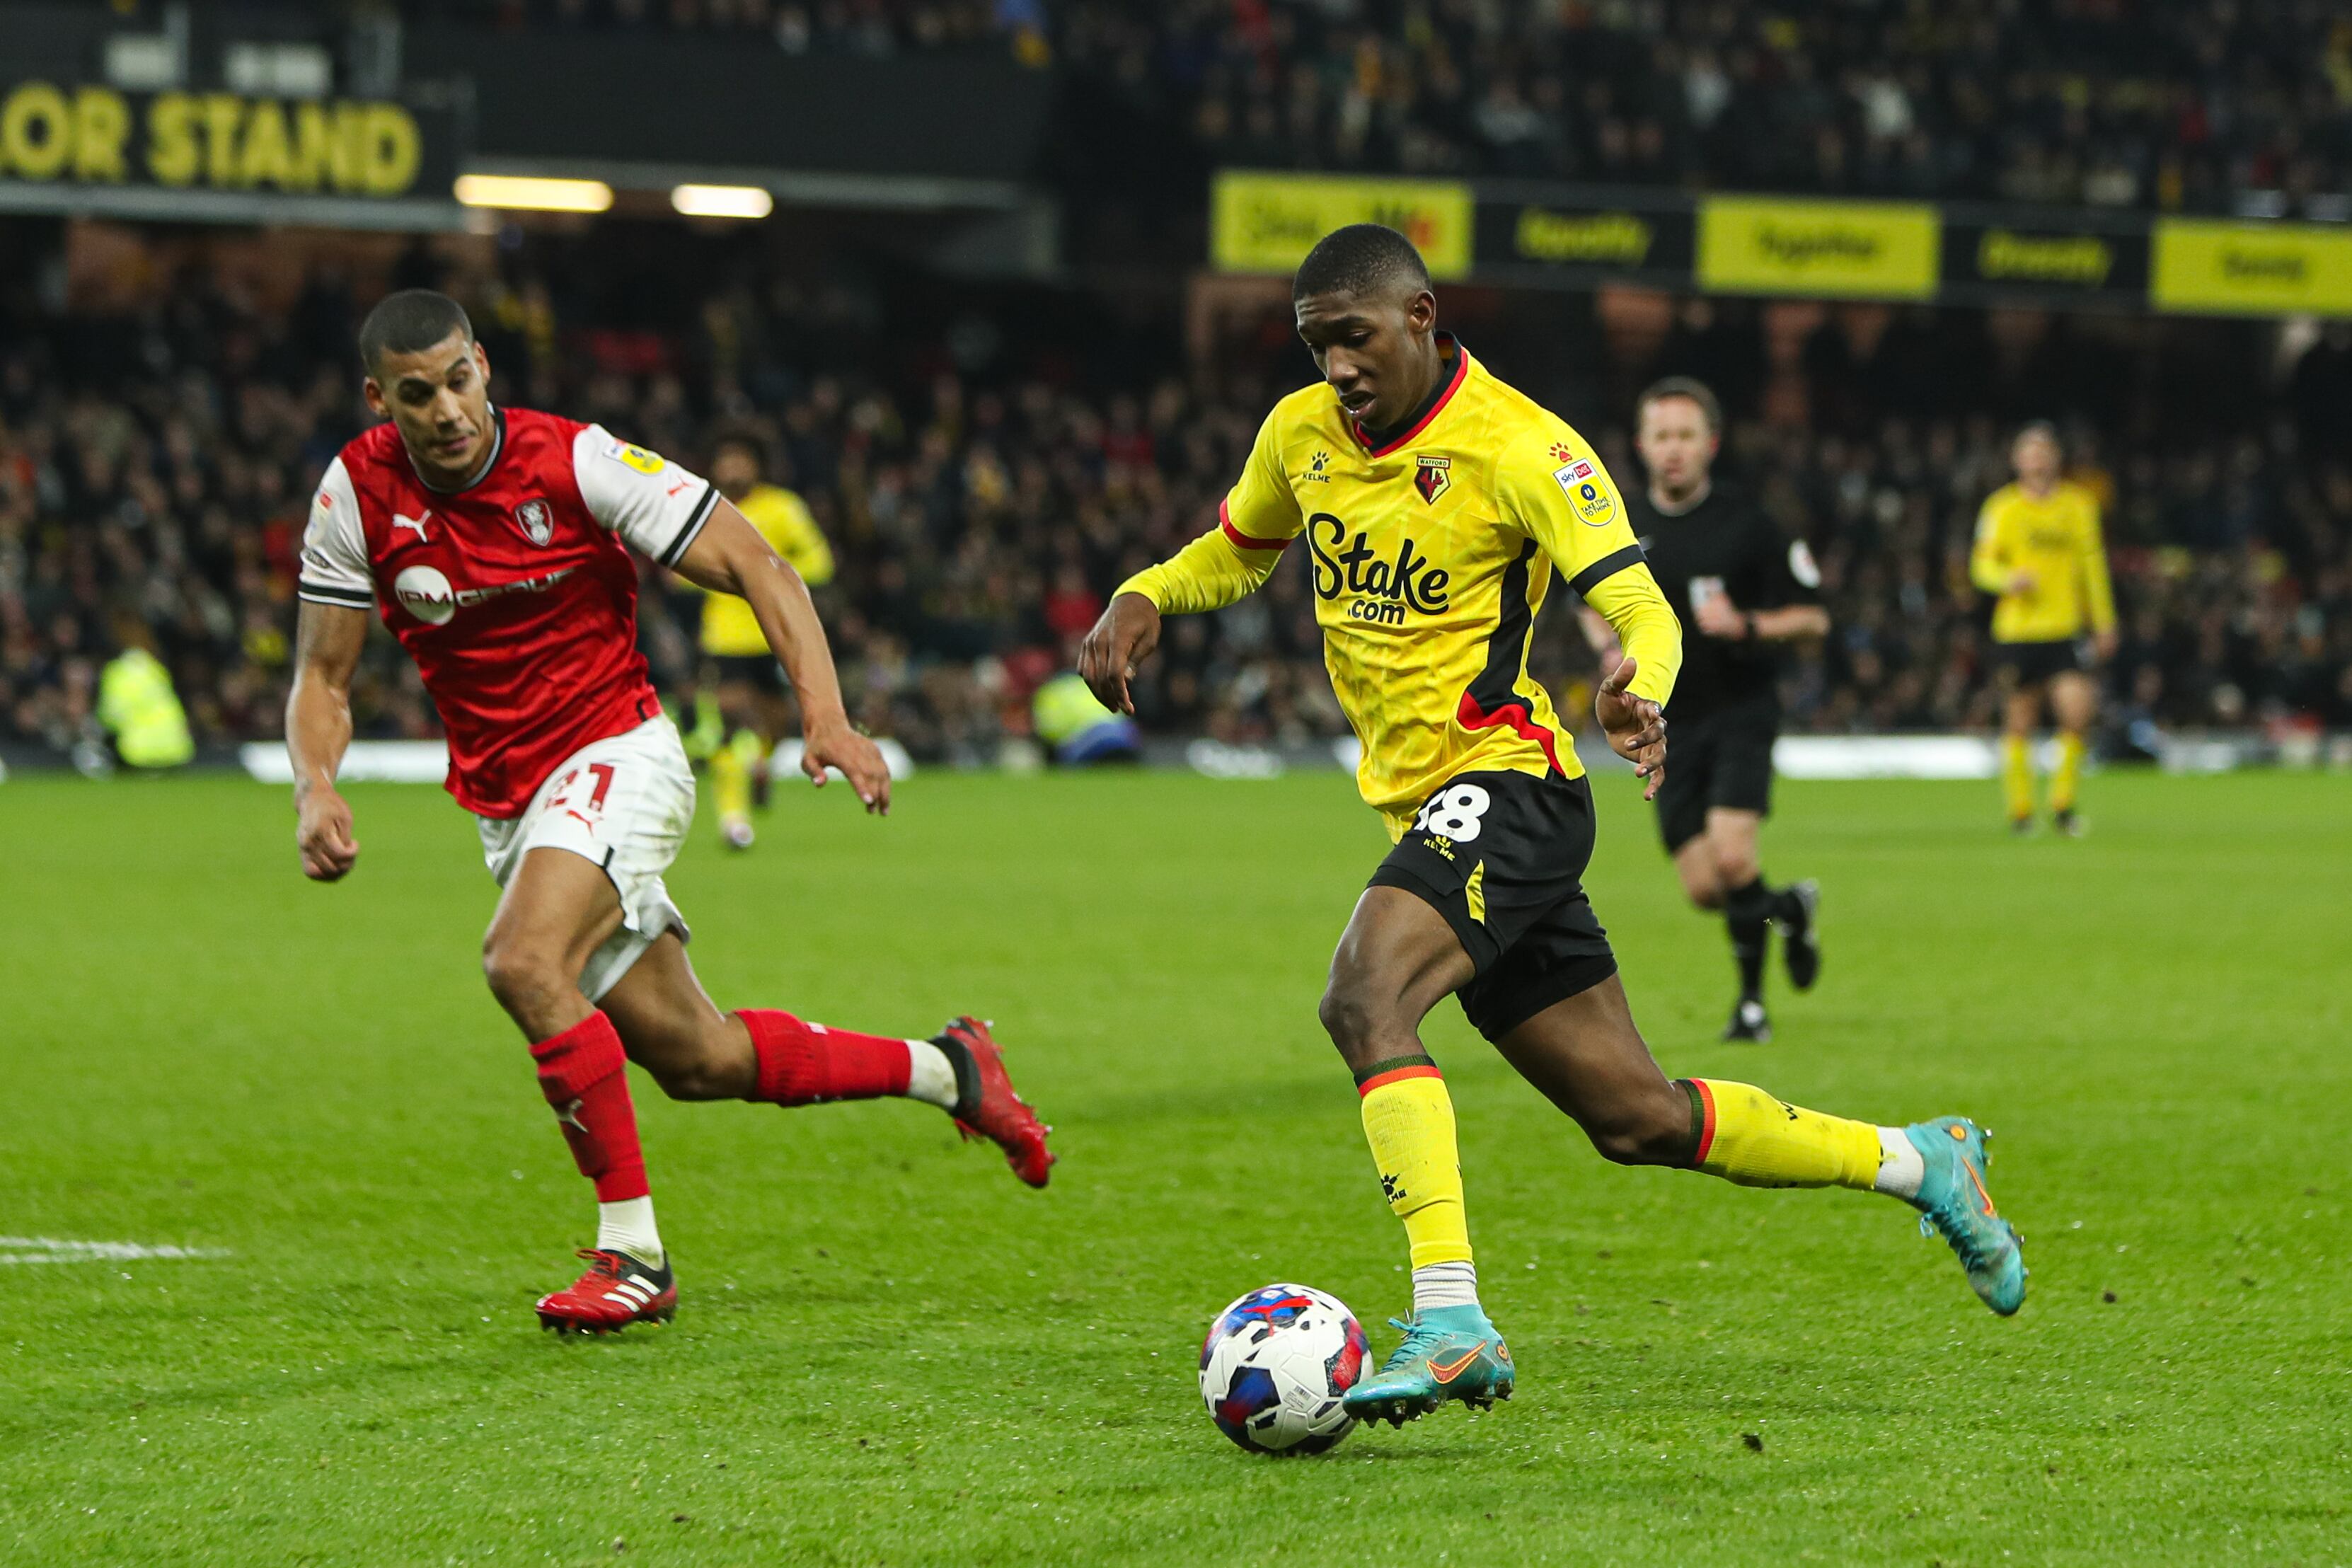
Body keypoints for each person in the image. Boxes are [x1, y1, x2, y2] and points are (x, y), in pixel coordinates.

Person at [1079, 226, 2024, 1429]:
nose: (1336, 369)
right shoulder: (1298, 435)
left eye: (1355, 339)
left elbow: (1639, 602)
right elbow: (1239, 546)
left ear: (1419, 315)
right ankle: (1920, 1160)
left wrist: (1643, 685)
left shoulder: (1524, 448)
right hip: (1433, 809)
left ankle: (1449, 1318)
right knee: (1636, 1117)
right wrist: (1145, 591)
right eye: (1316, 346)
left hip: (1510, 784)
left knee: (1363, 998)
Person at [287, 290, 1051, 1334]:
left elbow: (756, 562)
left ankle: (632, 1256)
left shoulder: (577, 462)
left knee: (521, 964)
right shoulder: (356, 494)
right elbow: (323, 680)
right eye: (418, 395)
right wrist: (315, 783)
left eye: (460, 379)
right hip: (514, 806)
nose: (448, 410)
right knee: (699, 1058)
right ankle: (949, 1067)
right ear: (383, 399)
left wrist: (824, 718)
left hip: (620, 754)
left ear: (486, 367)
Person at [1582, 379, 1828, 1044]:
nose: (1673, 450)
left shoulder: (1751, 523)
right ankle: (1789, 911)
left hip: (1742, 709)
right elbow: (1584, 598)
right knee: (1702, 888)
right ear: (1641, 445)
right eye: (1661, 436)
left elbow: (1813, 616)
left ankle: (1751, 1006)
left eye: (1686, 436)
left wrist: (1747, 625)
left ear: (1710, 445)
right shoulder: (1619, 526)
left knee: (1731, 859)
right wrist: (1604, 635)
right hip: (1668, 722)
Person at [686, 430, 837, 850]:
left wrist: (771, 577)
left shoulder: (783, 508)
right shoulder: (703, 506)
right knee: (733, 725)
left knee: (772, 723)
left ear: (757, 465)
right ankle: (734, 821)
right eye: (726, 460)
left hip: (775, 631)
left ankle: (760, 765)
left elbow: (820, 561)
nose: (733, 468)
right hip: (725, 637)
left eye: (742, 460)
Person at [1970, 422, 2116, 835]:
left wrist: (2104, 621)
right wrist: (2007, 579)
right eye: (2028, 452)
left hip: (2064, 627)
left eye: (2043, 452)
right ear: (2016, 460)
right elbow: (1980, 565)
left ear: (2055, 459)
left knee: (2077, 713)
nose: (2035, 460)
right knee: (2019, 721)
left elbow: (2094, 568)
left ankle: (2063, 804)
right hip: (2017, 631)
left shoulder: (2079, 506)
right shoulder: (2001, 508)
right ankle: (2020, 812)